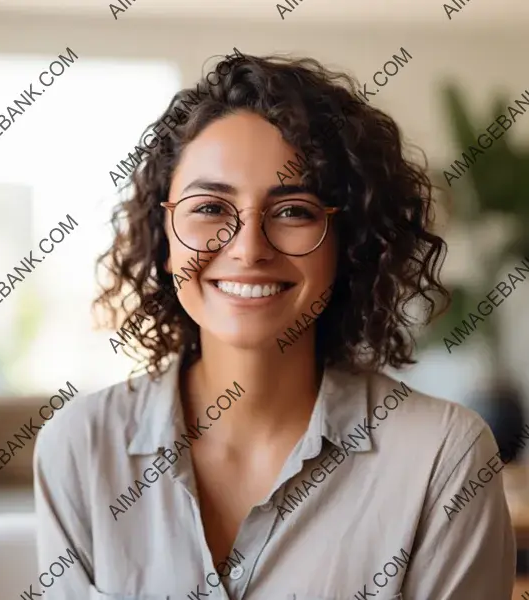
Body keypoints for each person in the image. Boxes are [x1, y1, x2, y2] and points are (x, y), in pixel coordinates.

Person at [33, 51, 516, 599]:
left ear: (346, 244)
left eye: (293, 211)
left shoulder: (442, 458)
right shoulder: (80, 446)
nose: (247, 250)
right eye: (210, 208)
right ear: (164, 238)